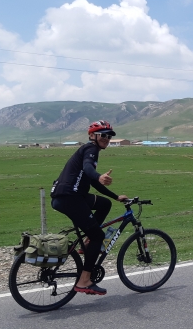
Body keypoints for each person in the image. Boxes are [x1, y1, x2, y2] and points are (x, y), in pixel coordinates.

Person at [50, 120, 127, 295]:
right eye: (103, 135)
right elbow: (88, 169)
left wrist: (115, 197)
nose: (107, 139)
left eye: (109, 136)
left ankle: (89, 241)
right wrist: (99, 176)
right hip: (70, 198)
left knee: (104, 204)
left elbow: (92, 181)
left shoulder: (90, 150)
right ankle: (84, 281)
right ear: (93, 135)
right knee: (98, 235)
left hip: (71, 196)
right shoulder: (91, 150)